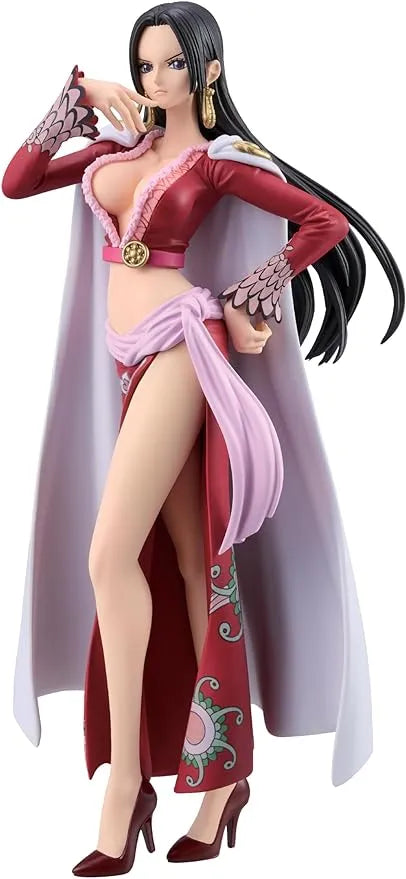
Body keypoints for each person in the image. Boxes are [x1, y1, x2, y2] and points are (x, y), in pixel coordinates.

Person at [2, 2, 404, 874]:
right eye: (144, 65)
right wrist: (77, 97)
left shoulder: (217, 163)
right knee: (193, 562)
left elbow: (323, 223)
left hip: (183, 349)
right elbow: (18, 180)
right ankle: (223, 777)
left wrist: (255, 289)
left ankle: (125, 787)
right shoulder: (115, 155)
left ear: (208, 70)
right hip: (123, 363)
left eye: (173, 64)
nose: (155, 80)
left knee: (109, 555)